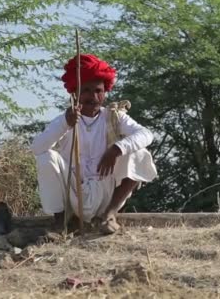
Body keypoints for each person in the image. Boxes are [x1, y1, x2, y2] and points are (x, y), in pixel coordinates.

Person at [30, 54, 157, 234]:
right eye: (86, 91)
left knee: (139, 153)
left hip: (105, 191)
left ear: (105, 93)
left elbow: (146, 134)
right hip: (73, 193)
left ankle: (109, 215)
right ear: (75, 93)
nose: (93, 97)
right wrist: (65, 123)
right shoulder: (65, 120)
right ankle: (62, 222)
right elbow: (37, 148)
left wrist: (116, 149)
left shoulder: (114, 117)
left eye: (98, 91)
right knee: (46, 157)